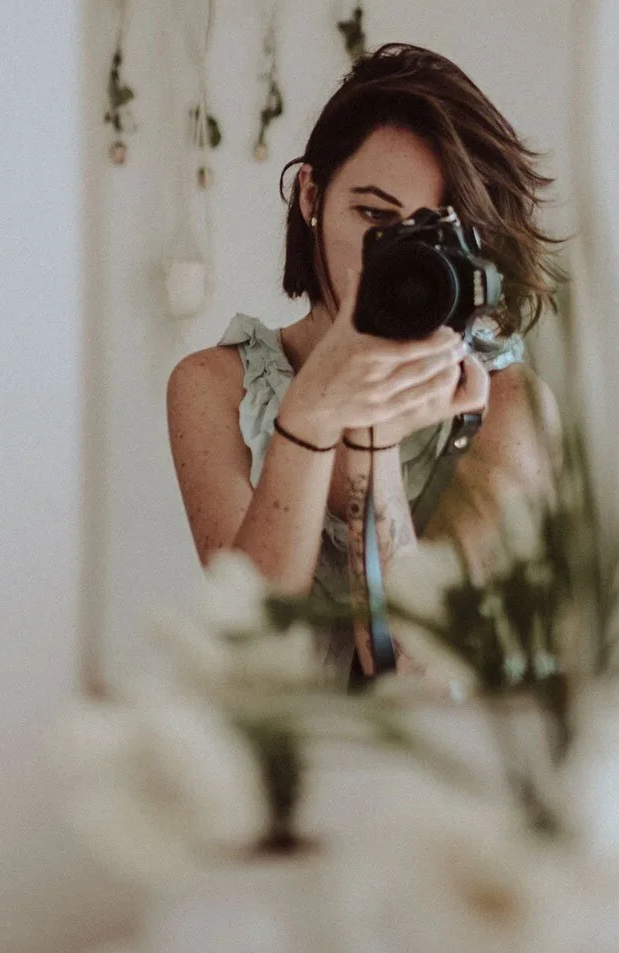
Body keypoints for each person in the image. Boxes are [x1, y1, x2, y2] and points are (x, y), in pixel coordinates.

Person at [166, 43, 563, 687]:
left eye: (429, 235)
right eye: (375, 216)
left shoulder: (508, 403)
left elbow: (416, 665)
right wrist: (310, 415)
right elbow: (252, 640)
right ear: (311, 196)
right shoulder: (215, 387)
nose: (396, 256)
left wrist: (368, 431)